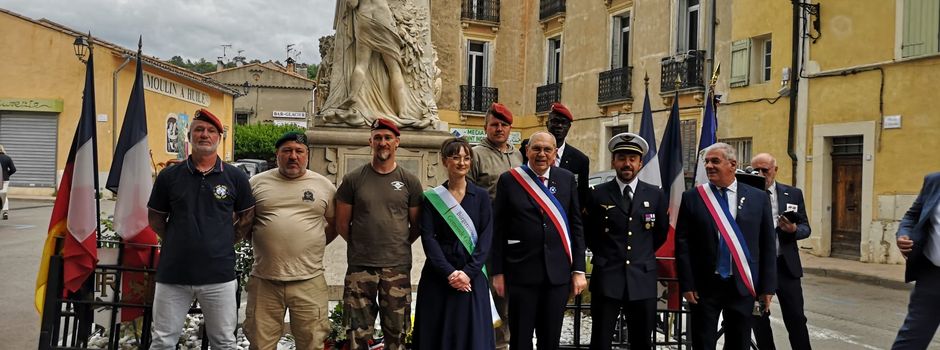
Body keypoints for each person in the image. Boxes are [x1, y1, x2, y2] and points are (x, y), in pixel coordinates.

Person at [147, 108, 255, 350]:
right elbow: (155, 218)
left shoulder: (236, 177)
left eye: (211, 131)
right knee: (163, 341)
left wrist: (225, 240)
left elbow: (248, 216)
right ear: (190, 136)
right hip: (173, 274)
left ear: (219, 137)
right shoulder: (169, 176)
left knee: (224, 342)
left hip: (219, 276)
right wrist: (178, 240)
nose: (204, 134)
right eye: (199, 130)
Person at [491, 131, 587, 350]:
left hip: (557, 276)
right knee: (520, 340)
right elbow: (499, 229)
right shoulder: (509, 180)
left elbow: (576, 227)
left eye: (547, 150)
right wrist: (498, 272)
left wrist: (579, 270)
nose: (541, 154)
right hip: (521, 273)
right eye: (536, 149)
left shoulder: (566, 179)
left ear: (554, 154)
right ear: (527, 151)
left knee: (550, 340)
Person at [675, 142, 776, 350]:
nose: (709, 166)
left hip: (741, 286)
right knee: (703, 343)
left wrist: (767, 287)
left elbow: (767, 245)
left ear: (732, 164)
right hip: (704, 287)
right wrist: (687, 283)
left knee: (739, 343)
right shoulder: (693, 197)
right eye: (707, 162)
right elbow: (682, 245)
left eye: (715, 161)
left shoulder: (758, 198)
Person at [335, 118, 423, 350]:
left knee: (397, 331)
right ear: (370, 142)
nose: (382, 142)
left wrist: (396, 244)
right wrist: (363, 244)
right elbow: (342, 223)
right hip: (360, 267)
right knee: (357, 332)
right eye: (378, 138)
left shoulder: (410, 182)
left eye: (387, 138)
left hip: (397, 268)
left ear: (397, 143)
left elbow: (416, 226)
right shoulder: (353, 180)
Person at [244, 132, 337, 350]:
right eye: (286, 151)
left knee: (312, 343)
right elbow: (245, 224)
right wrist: (266, 244)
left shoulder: (324, 186)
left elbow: (335, 224)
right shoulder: (256, 183)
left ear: (307, 155)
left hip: (309, 281)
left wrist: (312, 244)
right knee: (260, 344)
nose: (293, 156)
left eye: (299, 151)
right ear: (277, 154)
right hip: (265, 281)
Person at [585, 133, 668, 350]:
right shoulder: (597, 194)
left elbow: (660, 234)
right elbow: (589, 233)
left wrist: (640, 255)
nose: (627, 164)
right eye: (622, 158)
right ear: (613, 161)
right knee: (601, 341)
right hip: (607, 278)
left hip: (642, 279)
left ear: (640, 163)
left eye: (632, 159)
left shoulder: (656, 195)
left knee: (642, 342)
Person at [413, 138, 495, 350]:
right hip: (439, 277)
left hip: (472, 277)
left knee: (472, 335)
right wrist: (449, 273)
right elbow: (428, 239)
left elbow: (486, 239)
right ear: (444, 161)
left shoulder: (482, 197)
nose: (462, 163)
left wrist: (468, 272)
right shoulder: (432, 198)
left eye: (466, 158)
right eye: (455, 157)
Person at [467, 102, 521, 350]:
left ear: (510, 128)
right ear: (485, 126)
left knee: (512, 291)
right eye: (494, 124)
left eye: (504, 125)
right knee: (491, 291)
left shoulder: (519, 155)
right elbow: (467, 195)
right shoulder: (475, 154)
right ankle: (493, 343)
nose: (499, 129)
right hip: (487, 233)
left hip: (516, 235)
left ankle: (510, 340)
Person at [749, 153, 812, 350]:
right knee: (759, 319)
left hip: (785, 266)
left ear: (775, 170)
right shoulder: (745, 194)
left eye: (764, 170)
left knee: (796, 319)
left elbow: (806, 228)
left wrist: (794, 230)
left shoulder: (792, 194)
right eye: (755, 170)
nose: (760, 174)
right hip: (757, 267)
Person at [892, 172, 940, 349]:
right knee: (910, 341)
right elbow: (912, 216)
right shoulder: (934, 181)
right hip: (932, 276)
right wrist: (904, 234)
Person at [521, 103, 590, 209]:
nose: (559, 126)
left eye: (563, 123)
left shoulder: (580, 160)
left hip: (561, 218)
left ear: (569, 127)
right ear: (547, 124)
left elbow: (581, 198)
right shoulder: (530, 148)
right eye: (555, 121)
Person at [0, 145, 14, 220]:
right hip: (5, 180)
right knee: (3, 195)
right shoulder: (7, 158)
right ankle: (5, 212)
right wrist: (7, 174)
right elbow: (13, 169)